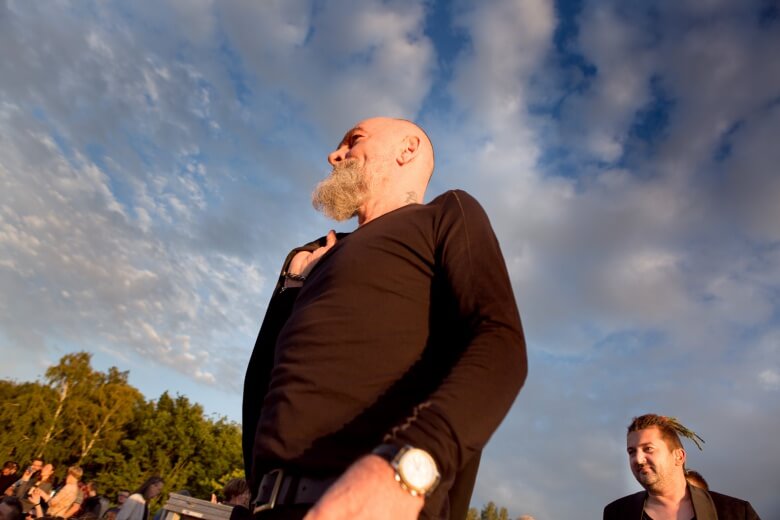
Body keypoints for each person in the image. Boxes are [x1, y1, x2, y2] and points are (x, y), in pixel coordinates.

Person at [242, 117, 527, 520]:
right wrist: (293, 285)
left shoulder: (444, 214)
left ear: (407, 149)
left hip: (375, 503)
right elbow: (264, 381)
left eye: (354, 140)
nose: (334, 155)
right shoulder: (315, 254)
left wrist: (407, 467)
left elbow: (500, 344)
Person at [603, 414, 762, 519]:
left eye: (648, 449)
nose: (638, 459)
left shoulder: (737, 513)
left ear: (679, 456)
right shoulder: (617, 513)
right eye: (631, 452)